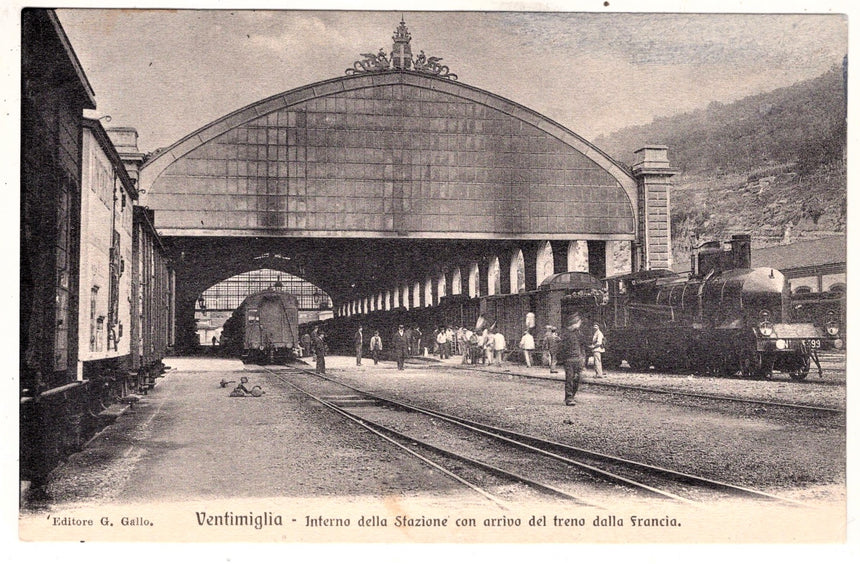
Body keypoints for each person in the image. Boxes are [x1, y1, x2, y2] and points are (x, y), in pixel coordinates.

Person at [557, 312, 586, 406]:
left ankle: (572, 395)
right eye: (577, 323)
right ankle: (569, 398)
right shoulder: (565, 334)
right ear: (573, 323)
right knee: (570, 378)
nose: (578, 325)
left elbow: (583, 346)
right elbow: (561, 348)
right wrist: (562, 359)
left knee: (578, 378)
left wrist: (583, 358)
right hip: (569, 359)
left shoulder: (579, 334)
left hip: (578, 359)